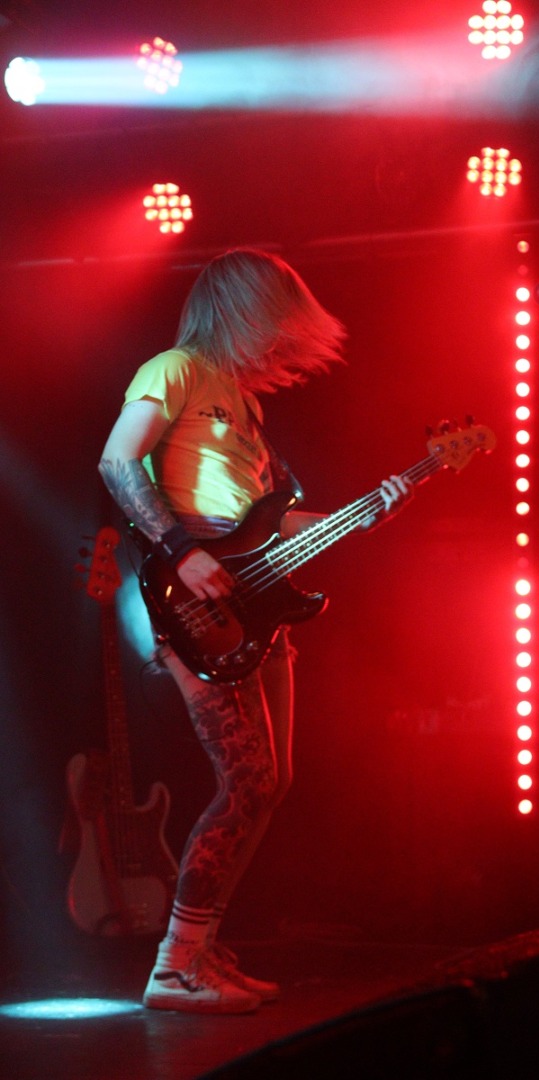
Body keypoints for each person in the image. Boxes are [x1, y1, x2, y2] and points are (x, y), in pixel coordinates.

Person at [98, 248, 412, 1014]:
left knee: (273, 783)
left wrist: (363, 513)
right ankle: (174, 967)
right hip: (195, 602)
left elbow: (267, 526)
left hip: (255, 603)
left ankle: (200, 949)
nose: (278, 343)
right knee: (249, 781)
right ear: (240, 310)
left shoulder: (244, 406)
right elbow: (117, 461)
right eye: (273, 323)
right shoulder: (173, 369)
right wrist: (183, 550)